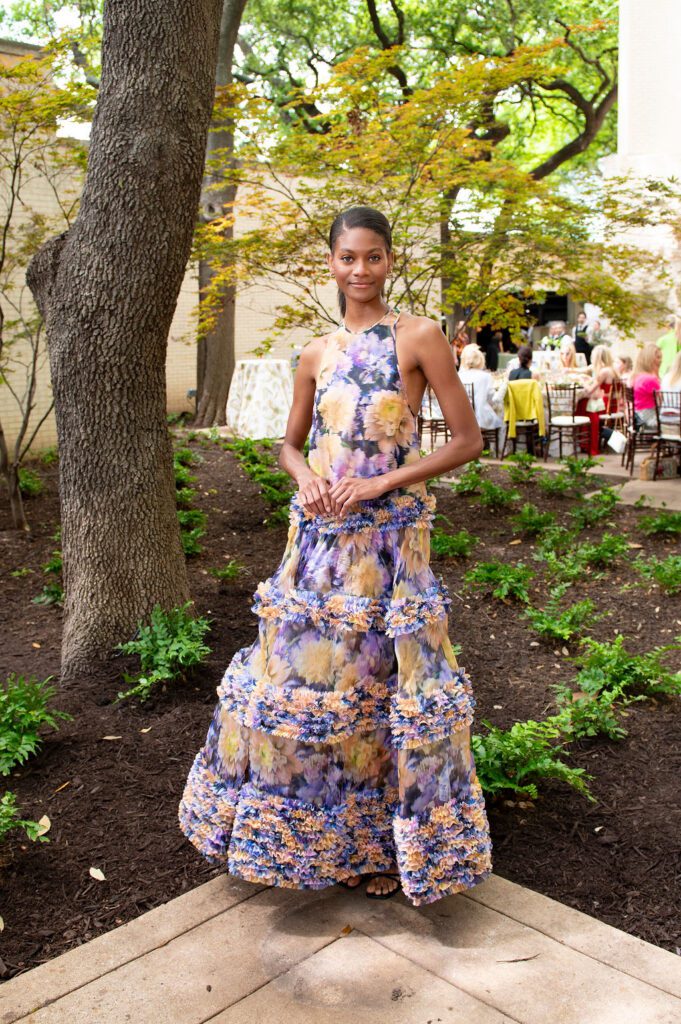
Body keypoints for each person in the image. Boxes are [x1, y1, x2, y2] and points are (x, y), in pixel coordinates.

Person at [178, 205, 493, 903]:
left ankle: (386, 850)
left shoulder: (418, 337)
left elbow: (466, 441)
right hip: (317, 544)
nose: (359, 269)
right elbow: (288, 445)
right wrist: (307, 477)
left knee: (382, 689)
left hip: (387, 546)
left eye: (373, 257)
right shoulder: (314, 352)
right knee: (310, 690)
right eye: (347, 257)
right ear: (330, 261)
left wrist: (381, 480)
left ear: (389, 260)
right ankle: (315, 845)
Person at [458, 343, 504, 429]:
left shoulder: (459, 376)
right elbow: (491, 398)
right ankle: (496, 442)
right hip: (481, 417)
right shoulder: (486, 376)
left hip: (461, 417)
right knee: (502, 421)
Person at [631, 343, 662, 429]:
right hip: (649, 418)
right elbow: (663, 401)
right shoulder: (650, 379)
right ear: (649, 359)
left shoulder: (637, 377)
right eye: (658, 357)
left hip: (638, 416)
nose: (661, 360)